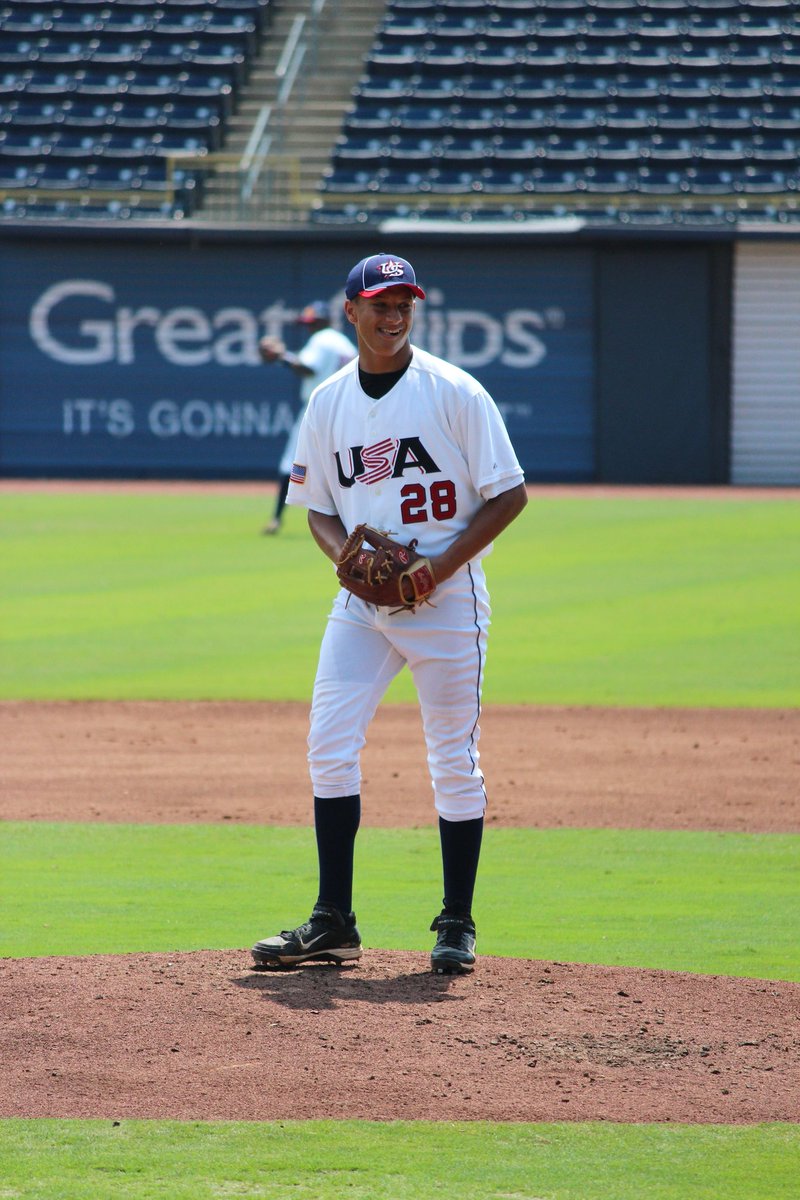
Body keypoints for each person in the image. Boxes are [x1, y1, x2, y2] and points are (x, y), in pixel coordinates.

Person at [252, 252, 527, 975]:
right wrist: (348, 563)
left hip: (445, 599)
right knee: (328, 743)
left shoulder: (454, 392)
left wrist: (435, 567)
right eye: (379, 302)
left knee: (452, 761)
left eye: (404, 301)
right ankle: (333, 921)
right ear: (353, 312)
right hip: (361, 606)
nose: (394, 313)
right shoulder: (330, 401)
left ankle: (457, 922)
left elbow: (509, 495)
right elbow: (317, 511)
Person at [258, 300, 356, 534]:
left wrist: (282, 355)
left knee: (291, 463)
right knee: (345, 463)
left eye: (313, 323)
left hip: (319, 409)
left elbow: (308, 367)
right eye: (307, 324)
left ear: (324, 322)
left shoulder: (321, 340)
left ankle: (276, 518)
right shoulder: (345, 344)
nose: (309, 328)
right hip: (348, 409)